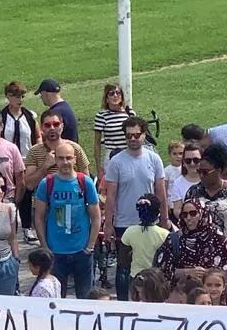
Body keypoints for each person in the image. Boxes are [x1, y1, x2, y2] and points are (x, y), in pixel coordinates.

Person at [104, 116, 168, 300]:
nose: (132, 139)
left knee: (152, 266)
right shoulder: (116, 162)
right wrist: (108, 224)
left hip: (151, 222)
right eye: (128, 136)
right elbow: (111, 196)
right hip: (124, 223)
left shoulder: (154, 159)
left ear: (144, 135)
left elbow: (160, 192)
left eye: (136, 135)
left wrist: (164, 220)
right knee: (124, 268)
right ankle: (124, 302)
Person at [34, 141, 101, 299]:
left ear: (75, 159)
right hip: (56, 252)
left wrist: (90, 247)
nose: (65, 162)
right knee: (57, 300)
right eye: (61, 158)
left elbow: (96, 216)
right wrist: (45, 247)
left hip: (81, 251)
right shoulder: (47, 184)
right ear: (55, 160)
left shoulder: (85, 182)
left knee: (86, 300)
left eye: (69, 158)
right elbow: (38, 217)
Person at [23, 109, 91, 243]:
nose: (52, 128)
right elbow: (29, 184)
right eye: (47, 125)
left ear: (62, 126)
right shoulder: (34, 152)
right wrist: (45, 167)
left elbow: (86, 179)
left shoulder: (74, 148)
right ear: (42, 128)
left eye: (56, 124)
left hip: (73, 205)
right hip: (47, 208)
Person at [185, 143, 227, 241]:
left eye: (205, 172)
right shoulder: (193, 192)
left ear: (220, 170)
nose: (201, 176)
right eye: (199, 171)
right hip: (198, 250)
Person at [153, 199, 227, 283]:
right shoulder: (175, 239)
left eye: (193, 213)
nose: (188, 218)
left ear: (202, 213)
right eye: (184, 215)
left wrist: (207, 274)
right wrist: (186, 272)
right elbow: (161, 270)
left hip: (210, 292)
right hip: (181, 292)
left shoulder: (217, 239)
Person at [121, 194, 170, 278]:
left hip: (136, 276)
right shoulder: (164, 234)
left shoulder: (130, 231)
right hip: (156, 278)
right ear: (158, 212)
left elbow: (122, 259)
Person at [92, 82, 135, 173]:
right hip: (112, 156)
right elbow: (97, 144)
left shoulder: (129, 113)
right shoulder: (101, 116)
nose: (115, 95)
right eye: (111, 93)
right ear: (107, 98)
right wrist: (99, 169)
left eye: (118, 93)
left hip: (129, 154)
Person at [0, 81, 38, 160]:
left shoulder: (30, 116)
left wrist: (37, 153)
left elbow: (38, 136)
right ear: (8, 96)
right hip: (7, 160)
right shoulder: (0, 117)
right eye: (17, 97)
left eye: (22, 97)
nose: (20, 100)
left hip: (27, 161)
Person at [171, 143, 202, 218]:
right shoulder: (177, 183)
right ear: (183, 163)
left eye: (196, 160)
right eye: (188, 160)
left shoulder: (209, 179)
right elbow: (177, 210)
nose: (192, 163)